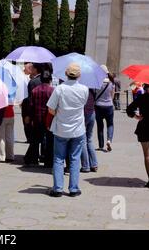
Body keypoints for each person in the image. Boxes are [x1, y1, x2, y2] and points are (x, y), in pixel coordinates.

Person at [47, 63, 88, 197]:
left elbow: (51, 110)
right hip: (78, 128)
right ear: (79, 75)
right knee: (75, 159)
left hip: (61, 128)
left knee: (58, 158)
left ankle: (58, 188)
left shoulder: (59, 89)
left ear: (66, 74)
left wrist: (60, 111)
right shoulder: (84, 89)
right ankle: (74, 188)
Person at [25, 71, 54, 168]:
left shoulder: (35, 90)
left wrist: (30, 117)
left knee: (35, 140)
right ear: (50, 79)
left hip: (37, 118)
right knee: (49, 141)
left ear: (41, 79)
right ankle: (48, 161)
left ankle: (33, 159)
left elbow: (31, 106)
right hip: (49, 120)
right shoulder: (52, 91)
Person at [95, 65, 115, 152]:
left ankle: (101, 145)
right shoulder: (111, 82)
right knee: (110, 124)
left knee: (100, 126)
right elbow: (112, 95)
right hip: (109, 106)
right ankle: (109, 140)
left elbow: (95, 94)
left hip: (98, 106)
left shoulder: (97, 82)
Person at [81, 88, 98, 172]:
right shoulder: (92, 90)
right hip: (92, 113)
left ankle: (85, 165)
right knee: (89, 140)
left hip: (84, 114)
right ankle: (94, 164)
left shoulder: (82, 90)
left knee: (83, 141)